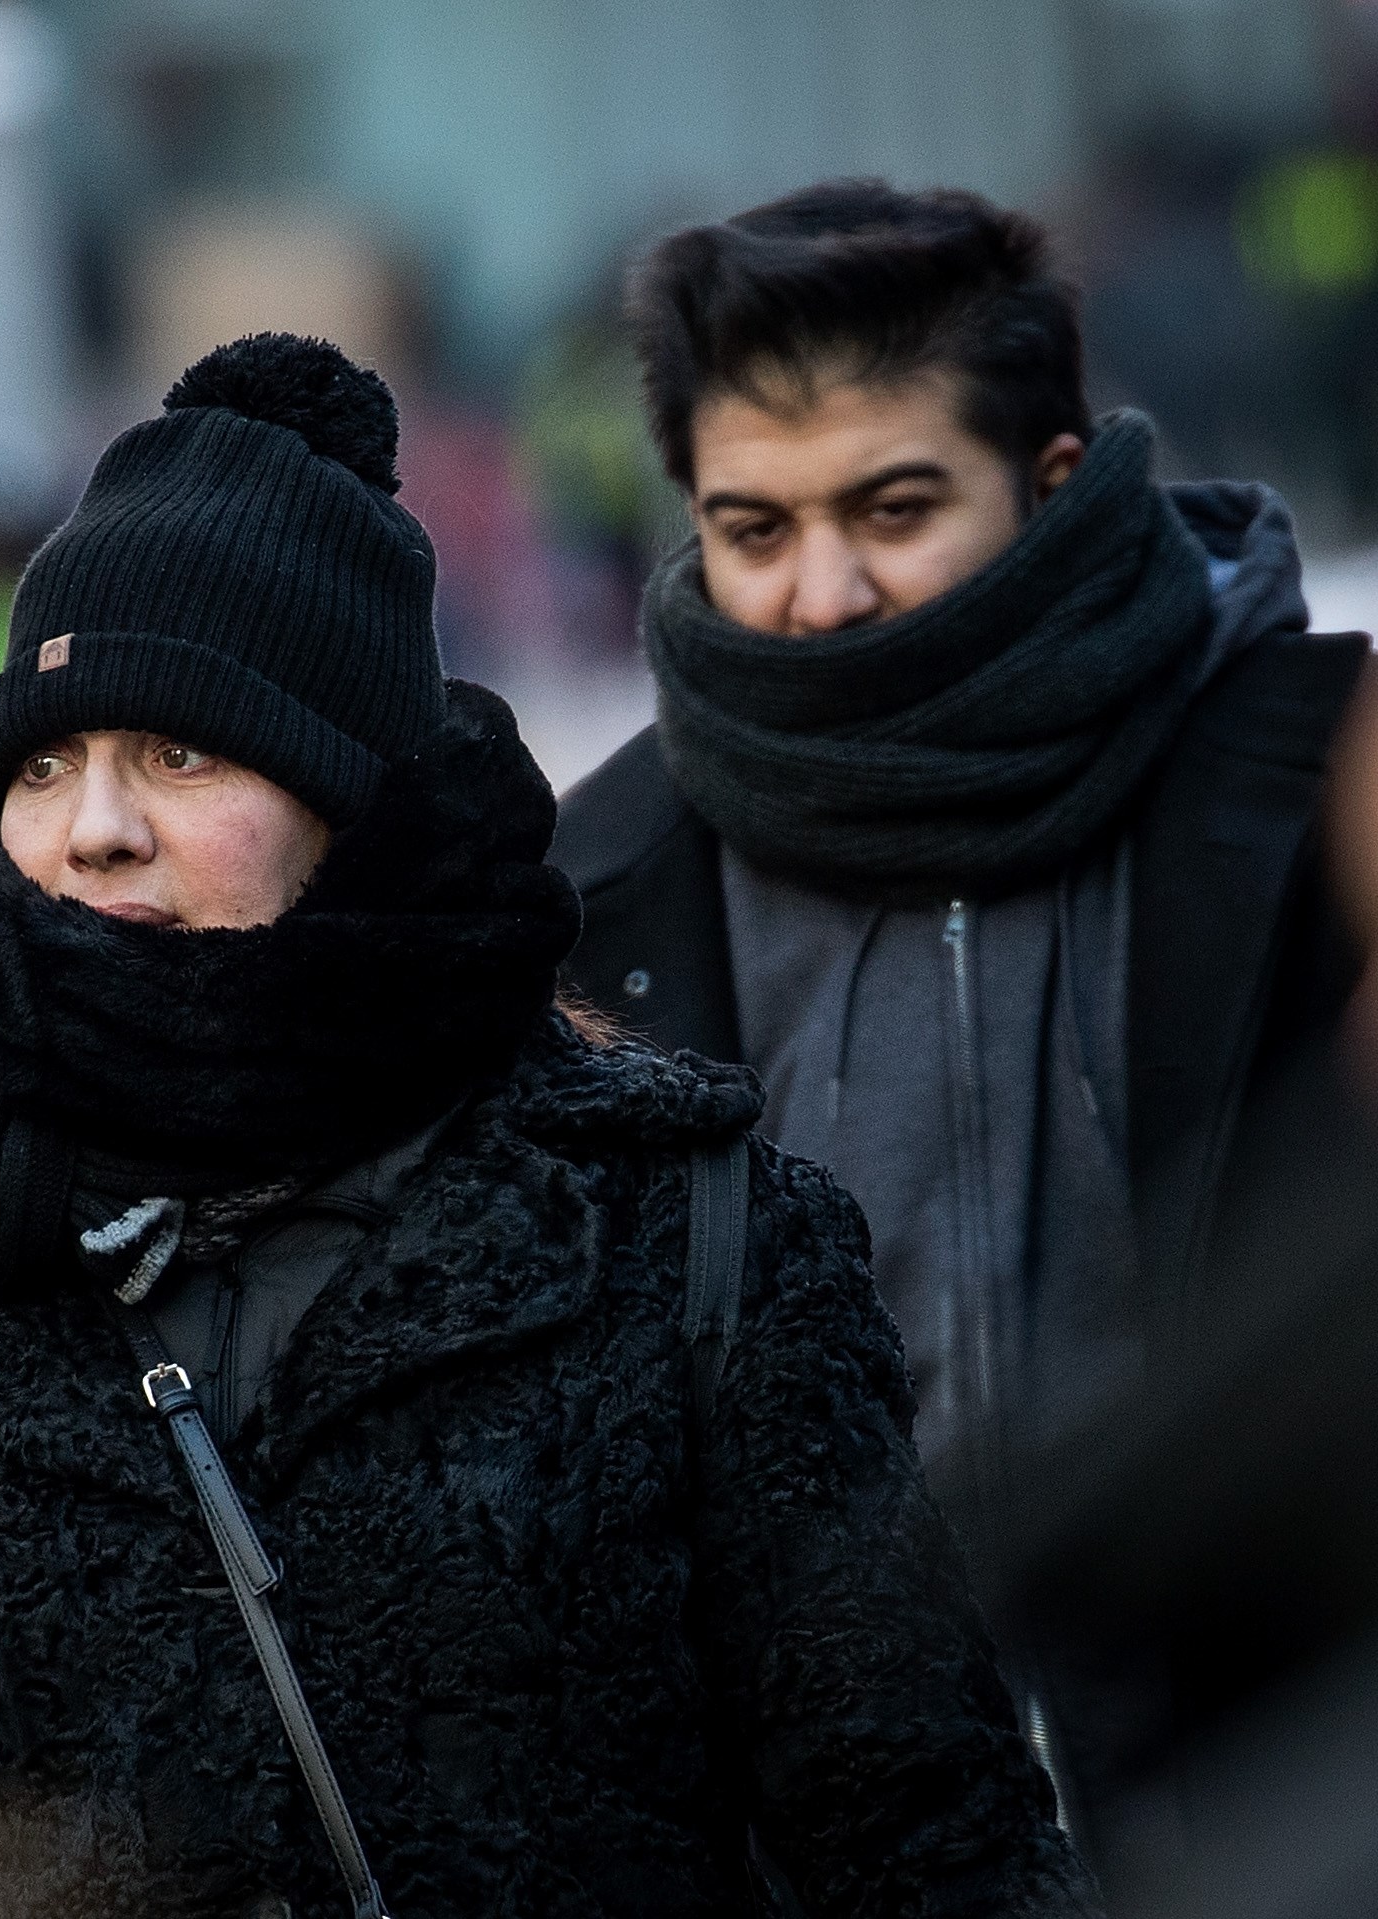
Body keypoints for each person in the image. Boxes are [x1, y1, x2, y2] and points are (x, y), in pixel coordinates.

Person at [0, 334, 1095, 1919]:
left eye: (178, 751)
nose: (93, 826)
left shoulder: (684, 1239)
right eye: (44, 763)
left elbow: (926, 1840)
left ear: (344, 805)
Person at [551, 179, 1370, 1846]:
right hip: (833, 1839)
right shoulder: (591, 898)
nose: (821, 590)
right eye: (752, 526)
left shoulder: (1317, 791)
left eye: (893, 504)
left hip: (1282, 1781)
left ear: (1046, 481)